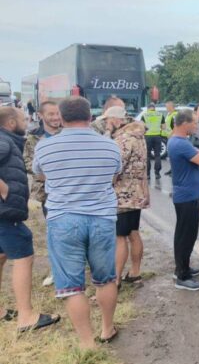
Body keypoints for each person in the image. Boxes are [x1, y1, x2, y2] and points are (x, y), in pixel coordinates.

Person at [33, 97, 122, 347]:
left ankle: (86, 342)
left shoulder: (45, 146)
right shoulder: (110, 146)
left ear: (61, 118)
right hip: (102, 218)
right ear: (90, 117)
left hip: (63, 219)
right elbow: (115, 175)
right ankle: (107, 329)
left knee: (71, 286)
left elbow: (40, 174)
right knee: (105, 279)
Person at [0, 107, 60, 332]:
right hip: (6, 214)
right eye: (23, 119)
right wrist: (5, 191)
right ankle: (26, 317)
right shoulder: (4, 141)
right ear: (10, 123)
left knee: (1, 256)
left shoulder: (8, 141)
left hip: (4, 214)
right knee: (23, 258)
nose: (27, 123)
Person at [104, 106, 150, 288]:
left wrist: (107, 184)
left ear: (116, 120)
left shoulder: (123, 139)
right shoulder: (139, 136)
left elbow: (115, 167)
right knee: (133, 232)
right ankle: (135, 273)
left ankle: (115, 280)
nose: (106, 125)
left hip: (122, 195)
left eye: (107, 121)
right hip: (137, 194)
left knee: (119, 237)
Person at [167, 109, 199, 291]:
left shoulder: (178, 141)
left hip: (188, 195)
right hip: (188, 196)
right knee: (186, 236)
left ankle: (182, 268)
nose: (197, 126)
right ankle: (182, 276)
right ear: (184, 123)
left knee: (185, 234)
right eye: (194, 123)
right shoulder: (180, 143)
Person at [23, 101, 62, 286]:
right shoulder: (33, 137)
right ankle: (56, 270)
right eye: (51, 114)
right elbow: (28, 162)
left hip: (69, 191)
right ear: (40, 115)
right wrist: (50, 174)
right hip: (47, 194)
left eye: (58, 113)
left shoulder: (67, 133)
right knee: (54, 233)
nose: (56, 117)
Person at [143, 103, 165, 180]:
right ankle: (157, 173)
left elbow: (142, 127)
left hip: (148, 137)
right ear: (154, 108)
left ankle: (148, 174)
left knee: (147, 155)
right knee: (157, 155)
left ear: (148, 108)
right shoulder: (160, 115)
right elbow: (164, 127)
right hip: (157, 136)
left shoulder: (144, 115)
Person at [162, 101, 178, 176]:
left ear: (171, 107)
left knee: (174, 155)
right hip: (169, 137)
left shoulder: (175, 115)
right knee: (170, 155)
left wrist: (171, 135)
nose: (166, 108)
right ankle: (171, 169)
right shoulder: (169, 114)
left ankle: (175, 171)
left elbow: (175, 126)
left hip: (173, 137)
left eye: (167, 107)